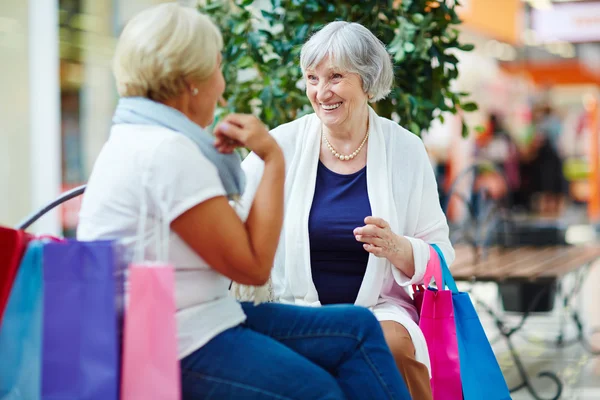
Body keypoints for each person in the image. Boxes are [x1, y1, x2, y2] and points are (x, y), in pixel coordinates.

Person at [76, 4, 411, 400]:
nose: (221, 86)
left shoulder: (143, 138)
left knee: (358, 330)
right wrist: (272, 158)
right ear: (191, 82)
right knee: (318, 389)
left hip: (205, 317)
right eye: (218, 68)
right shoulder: (167, 153)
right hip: (177, 340)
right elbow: (252, 267)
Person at [239, 21, 455, 400]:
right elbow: (233, 212)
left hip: (379, 309)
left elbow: (441, 254)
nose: (322, 92)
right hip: (295, 311)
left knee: (392, 348)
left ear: (368, 82)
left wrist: (397, 247)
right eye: (312, 78)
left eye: (335, 77)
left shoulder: (406, 149)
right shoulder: (280, 145)